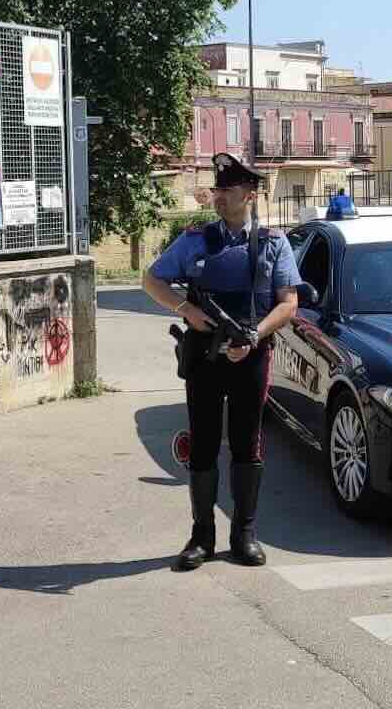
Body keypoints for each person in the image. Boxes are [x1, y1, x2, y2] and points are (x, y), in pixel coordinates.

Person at [143, 153, 303, 571]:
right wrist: (186, 310)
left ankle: (244, 535)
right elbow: (152, 279)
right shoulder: (195, 239)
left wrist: (255, 334)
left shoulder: (273, 242)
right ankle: (201, 538)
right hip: (203, 356)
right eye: (216, 190)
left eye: (226, 191)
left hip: (251, 357)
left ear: (249, 195)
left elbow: (289, 303)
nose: (218, 197)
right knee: (204, 444)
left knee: (247, 444)